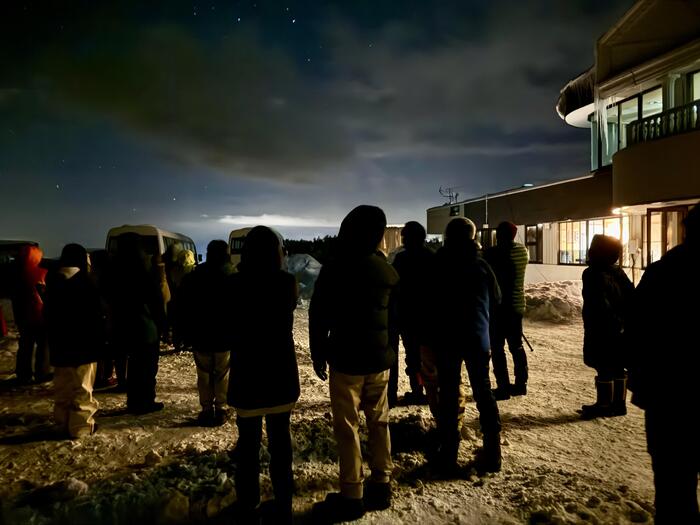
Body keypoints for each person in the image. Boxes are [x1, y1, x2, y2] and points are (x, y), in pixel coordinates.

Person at [310, 205, 398, 522]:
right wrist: (390, 353)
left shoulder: (335, 267)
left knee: (347, 427)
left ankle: (352, 494)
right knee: (379, 420)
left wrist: (318, 353)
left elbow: (318, 315)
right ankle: (382, 482)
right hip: (379, 361)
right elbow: (394, 321)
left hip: (346, 361)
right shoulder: (387, 271)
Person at [627, 205, 700, 524]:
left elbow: (636, 333)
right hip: (671, 395)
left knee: (673, 487)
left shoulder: (662, 273)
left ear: (686, 231)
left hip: (669, 400)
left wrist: (641, 383)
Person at [227, 227, 299, 524]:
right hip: (281, 373)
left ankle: (249, 501)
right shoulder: (287, 283)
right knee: (281, 443)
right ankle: (284, 502)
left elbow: (229, 322)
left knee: (248, 445)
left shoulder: (234, 284)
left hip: (248, 375)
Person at [427, 217, 502, 475]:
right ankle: (493, 452)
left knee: (448, 394)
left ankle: (448, 453)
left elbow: (428, 303)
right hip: (477, 338)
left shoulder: (438, 264)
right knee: (483, 391)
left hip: (447, 339)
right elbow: (497, 299)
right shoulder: (482, 266)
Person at [43, 244, 103, 438]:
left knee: (63, 389)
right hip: (84, 347)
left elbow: (48, 316)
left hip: (60, 346)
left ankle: (62, 422)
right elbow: (94, 317)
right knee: (83, 389)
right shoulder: (86, 283)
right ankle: (80, 427)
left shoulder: (53, 281)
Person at [107, 234, 166, 414]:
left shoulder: (113, 271)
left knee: (133, 367)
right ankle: (146, 401)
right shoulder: (142, 271)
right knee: (147, 368)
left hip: (123, 327)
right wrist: (162, 325)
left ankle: (134, 401)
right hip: (144, 328)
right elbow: (156, 302)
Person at [178, 240, 234, 426]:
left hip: (200, 335)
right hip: (225, 335)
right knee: (222, 373)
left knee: (203, 374)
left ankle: (207, 409)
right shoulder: (232, 276)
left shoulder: (194, 276)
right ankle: (222, 408)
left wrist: (184, 333)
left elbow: (183, 307)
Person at [579, 234, 634, 419]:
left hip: (600, 328)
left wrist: (609, 321)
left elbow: (599, 304)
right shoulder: (618, 272)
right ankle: (618, 404)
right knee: (618, 365)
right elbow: (631, 297)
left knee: (603, 366)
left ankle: (603, 404)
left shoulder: (592, 273)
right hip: (621, 327)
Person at [389, 221, 434, 406]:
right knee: (422, 356)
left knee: (411, 356)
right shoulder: (431, 258)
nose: (403, 239)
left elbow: (393, 286)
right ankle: (422, 390)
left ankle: (413, 390)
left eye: (405, 236)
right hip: (426, 315)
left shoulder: (401, 259)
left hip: (406, 315)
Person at [484, 221, 529, 400]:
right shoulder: (522, 251)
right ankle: (521, 384)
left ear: (498, 235)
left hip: (497, 308)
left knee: (497, 348)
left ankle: (502, 387)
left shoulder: (492, 254)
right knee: (516, 346)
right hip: (516, 306)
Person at [11, 244, 51, 384]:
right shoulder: (42, 273)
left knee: (25, 346)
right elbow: (45, 296)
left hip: (24, 317)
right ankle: (42, 373)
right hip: (41, 316)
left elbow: (15, 299)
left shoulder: (17, 276)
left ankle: (23, 373)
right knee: (43, 345)